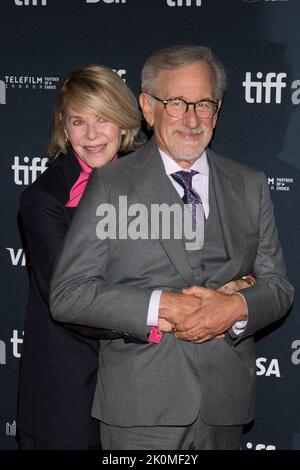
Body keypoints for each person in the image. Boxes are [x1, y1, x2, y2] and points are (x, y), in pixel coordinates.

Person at [50, 46, 294, 450]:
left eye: (204, 104)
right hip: (139, 409)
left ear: (217, 111)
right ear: (148, 108)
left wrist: (235, 308)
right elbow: (69, 294)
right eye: (177, 103)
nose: (192, 118)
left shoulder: (249, 185)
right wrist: (161, 305)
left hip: (224, 409)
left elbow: (278, 288)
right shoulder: (111, 184)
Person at [17, 64, 141, 450]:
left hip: (142, 393)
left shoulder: (155, 188)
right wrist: (157, 319)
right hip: (66, 397)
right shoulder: (44, 199)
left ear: (124, 122)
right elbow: (69, 299)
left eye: (103, 119)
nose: (91, 135)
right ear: (63, 125)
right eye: (78, 121)